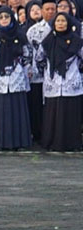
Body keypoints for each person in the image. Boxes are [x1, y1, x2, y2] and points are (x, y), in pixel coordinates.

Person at [0, 6, 32, 150]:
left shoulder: (20, 34)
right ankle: (1, 143)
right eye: (1, 17)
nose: (4, 20)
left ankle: (19, 142)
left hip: (16, 76)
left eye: (7, 17)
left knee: (17, 109)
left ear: (12, 17)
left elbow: (28, 54)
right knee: (0, 109)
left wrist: (18, 65)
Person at [37, 12, 83, 151]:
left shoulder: (77, 41)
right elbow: (39, 58)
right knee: (53, 114)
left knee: (70, 114)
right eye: (58, 21)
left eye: (63, 21)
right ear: (54, 24)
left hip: (71, 81)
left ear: (69, 23)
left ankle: (72, 143)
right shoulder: (48, 41)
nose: (61, 24)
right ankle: (52, 142)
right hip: (53, 82)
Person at [26, 0, 57, 143]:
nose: (50, 12)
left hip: (56, 75)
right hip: (37, 74)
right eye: (47, 9)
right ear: (42, 11)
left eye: (53, 9)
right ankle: (37, 134)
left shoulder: (61, 26)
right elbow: (28, 52)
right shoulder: (33, 30)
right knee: (37, 106)